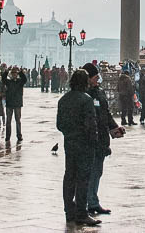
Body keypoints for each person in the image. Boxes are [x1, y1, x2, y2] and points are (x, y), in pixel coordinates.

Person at [57, 69, 101, 226]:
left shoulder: (63, 100)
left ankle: (69, 211)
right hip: (84, 144)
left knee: (69, 177)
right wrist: (93, 141)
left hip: (69, 143)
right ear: (85, 82)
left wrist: (70, 134)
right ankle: (82, 213)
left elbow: (59, 124)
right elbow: (91, 124)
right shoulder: (86, 99)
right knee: (83, 179)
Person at [83, 62, 124, 218]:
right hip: (89, 140)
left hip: (101, 138)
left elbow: (105, 113)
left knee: (97, 172)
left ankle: (93, 202)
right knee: (89, 172)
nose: (98, 79)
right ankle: (85, 203)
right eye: (95, 77)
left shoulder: (99, 92)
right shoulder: (83, 95)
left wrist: (114, 128)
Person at [4, 65, 27, 144]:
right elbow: (3, 78)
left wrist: (20, 72)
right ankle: (7, 136)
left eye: (15, 73)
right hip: (9, 103)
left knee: (18, 121)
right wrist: (7, 70)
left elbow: (25, 79)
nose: (14, 74)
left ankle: (19, 136)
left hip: (17, 103)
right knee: (8, 121)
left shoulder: (20, 82)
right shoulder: (8, 82)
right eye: (13, 73)